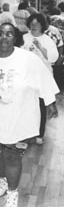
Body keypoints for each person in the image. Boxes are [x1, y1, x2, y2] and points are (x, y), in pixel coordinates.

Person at [0, 22, 59, 207]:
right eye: (1, 34)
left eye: (9, 34)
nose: (4, 38)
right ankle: (3, 180)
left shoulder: (27, 59)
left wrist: (50, 102)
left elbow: (44, 78)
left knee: (12, 156)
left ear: (15, 37)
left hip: (19, 115)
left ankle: (12, 192)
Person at [22, 13, 59, 145]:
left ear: (42, 25)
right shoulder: (24, 38)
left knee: (41, 106)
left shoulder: (47, 40)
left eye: (37, 23)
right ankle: (25, 132)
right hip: (26, 77)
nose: (34, 26)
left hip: (43, 78)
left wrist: (40, 48)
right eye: (32, 23)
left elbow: (54, 58)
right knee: (26, 105)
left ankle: (39, 133)